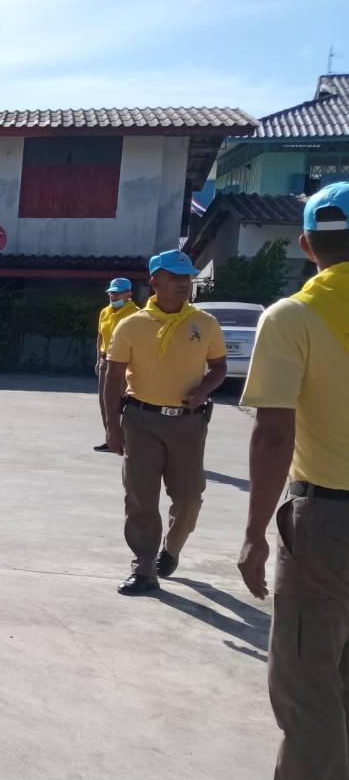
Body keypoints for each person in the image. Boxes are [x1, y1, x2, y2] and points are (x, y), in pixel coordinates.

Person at [225, 182, 349, 780]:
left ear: (305, 245)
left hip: (328, 519)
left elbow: (274, 434)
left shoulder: (293, 316)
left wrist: (253, 533)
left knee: (307, 678)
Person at [102, 249, 227, 596]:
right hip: (140, 420)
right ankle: (144, 568)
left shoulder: (204, 323)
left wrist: (203, 390)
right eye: (175, 277)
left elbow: (219, 368)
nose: (183, 283)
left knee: (189, 498)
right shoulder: (131, 325)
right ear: (155, 280)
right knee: (141, 499)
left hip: (188, 424)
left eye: (187, 277)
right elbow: (113, 378)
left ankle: (170, 548)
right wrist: (112, 426)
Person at [93, 278, 139, 452]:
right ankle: (111, 439)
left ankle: (128, 440)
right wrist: (98, 359)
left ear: (128, 294)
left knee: (127, 403)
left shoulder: (136, 314)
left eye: (117, 293)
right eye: (111, 292)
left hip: (128, 362)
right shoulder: (105, 312)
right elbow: (100, 337)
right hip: (106, 360)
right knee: (106, 402)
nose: (113, 295)